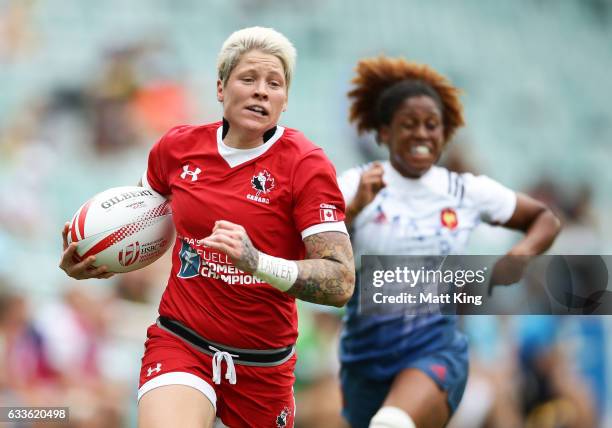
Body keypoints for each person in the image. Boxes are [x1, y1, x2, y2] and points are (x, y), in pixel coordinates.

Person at [59, 27, 355, 428]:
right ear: (220, 88)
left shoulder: (306, 165)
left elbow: (340, 281)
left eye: (274, 83)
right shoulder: (176, 149)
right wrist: (97, 257)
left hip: (264, 368)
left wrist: (258, 262)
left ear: (285, 101)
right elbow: (142, 223)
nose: (261, 91)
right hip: (182, 343)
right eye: (248, 79)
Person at [337, 56, 561, 428]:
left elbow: (544, 219)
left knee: (391, 423)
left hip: (434, 350)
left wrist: (521, 254)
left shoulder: (465, 190)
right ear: (384, 133)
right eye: (409, 124)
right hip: (365, 357)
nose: (423, 134)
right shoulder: (355, 183)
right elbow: (320, 248)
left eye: (432, 125)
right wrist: (354, 211)